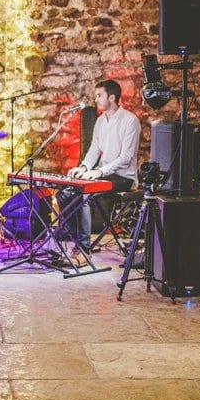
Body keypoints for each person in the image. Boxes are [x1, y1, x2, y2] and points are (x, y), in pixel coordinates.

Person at [57, 79, 141, 266]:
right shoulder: (101, 121)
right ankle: (76, 243)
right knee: (64, 193)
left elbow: (126, 157)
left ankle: (84, 251)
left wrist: (99, 172)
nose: (95, 99)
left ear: (112, 97)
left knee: (83, 194)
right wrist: (84, 167)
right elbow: (94, 150)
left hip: (123, 177)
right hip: (103, 173)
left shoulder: (130, 121)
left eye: (99, 95)